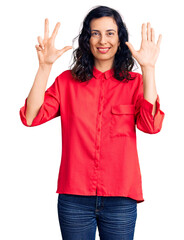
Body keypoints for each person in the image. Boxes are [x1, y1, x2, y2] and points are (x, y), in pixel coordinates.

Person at [19, 5, 165, 240]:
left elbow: (151, 125)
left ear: (120, 39)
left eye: (110, 33)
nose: (102, 40)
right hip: (74, 199)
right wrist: (44, 67)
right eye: (95, 33)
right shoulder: (67, 82)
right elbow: (30, 117)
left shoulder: (136, 83)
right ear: (87, 39)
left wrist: (148, 69)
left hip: (121, 198)